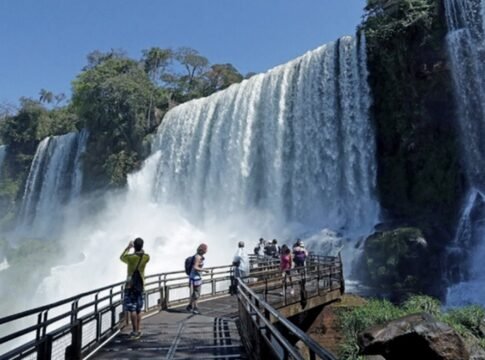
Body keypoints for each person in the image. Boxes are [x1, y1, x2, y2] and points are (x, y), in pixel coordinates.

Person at [120, 237, 150, 340]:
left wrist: (128, 248)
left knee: (132, 308)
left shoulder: (131, 258)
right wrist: (139, 249)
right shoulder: (146, 257)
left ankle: (134, 331)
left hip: (130, 285)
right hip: (140, 285)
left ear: (134, 246)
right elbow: (144, 254)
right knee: (138, 309)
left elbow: (121, 257)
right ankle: (138, 329)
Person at [187, 243, 208, 315]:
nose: (206, 251)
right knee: (197, 294)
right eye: (206, 249)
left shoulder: (198, 256)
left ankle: (190, 306)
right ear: (203, 250)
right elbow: (195, 267)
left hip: (194, 277)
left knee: (195, 293)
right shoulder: (198, 257)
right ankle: (195, 308)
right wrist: (204, 270)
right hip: (196, 278)